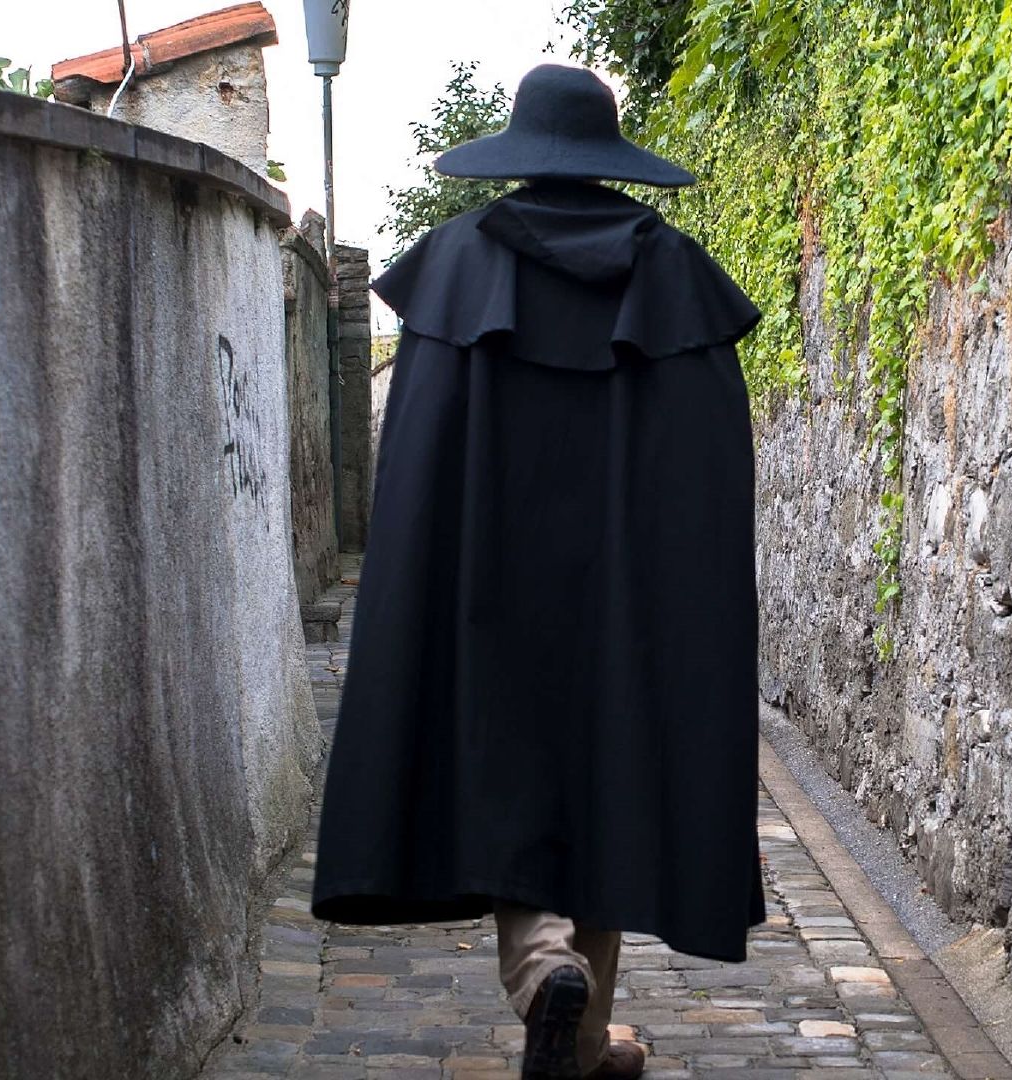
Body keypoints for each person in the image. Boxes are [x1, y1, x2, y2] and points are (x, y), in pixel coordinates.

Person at [310, 64, 765, 1080]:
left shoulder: (460, 267)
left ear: (520, 150)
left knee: (505, 769)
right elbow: (707, 467)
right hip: (626, 591)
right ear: (609, 158)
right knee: (609, 771)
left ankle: (547, 977)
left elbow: (420, 461)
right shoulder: (670, 274)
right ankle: (582, 1022)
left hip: (488, 587)